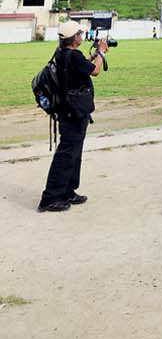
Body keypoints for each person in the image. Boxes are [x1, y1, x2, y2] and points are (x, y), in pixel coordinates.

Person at [39, 24, 107, 212]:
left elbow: (81, 66)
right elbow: (95, 71)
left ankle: (67, 191)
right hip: (73, 111)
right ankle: (50, 198)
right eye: (80, 33)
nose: (82, 35)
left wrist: (93, 56)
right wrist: (101, 53)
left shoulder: (62, 53)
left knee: (73, 153)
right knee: (67, 154)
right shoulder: (73, 56)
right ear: (73, 37)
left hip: (68, 109)